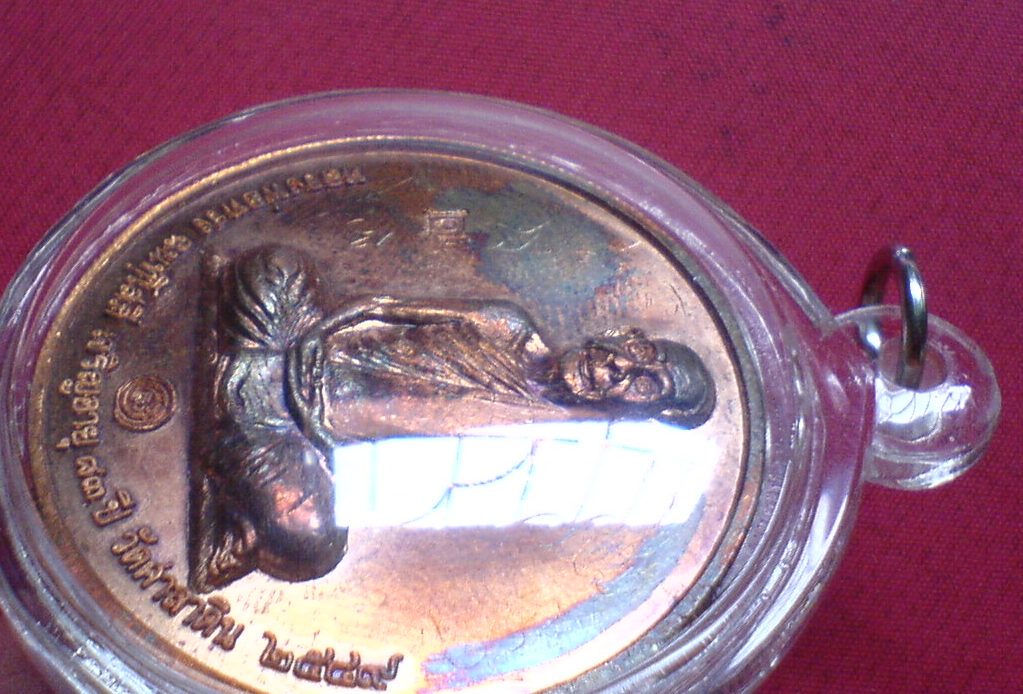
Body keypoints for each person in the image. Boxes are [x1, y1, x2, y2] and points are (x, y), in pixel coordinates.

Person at [190, 246, 715, 591]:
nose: (620, 368)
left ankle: (232, 437)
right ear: (624, 335)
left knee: (310, 540)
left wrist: (318, 432)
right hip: (303, 350)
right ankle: (238, 402)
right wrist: (319, 334)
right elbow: (379, 307)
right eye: (639, 352)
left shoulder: (537, 448)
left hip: (289, 437)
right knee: (275, 265)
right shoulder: (508, 325)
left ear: (634, 414)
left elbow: (394, 483)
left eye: (643, 386)